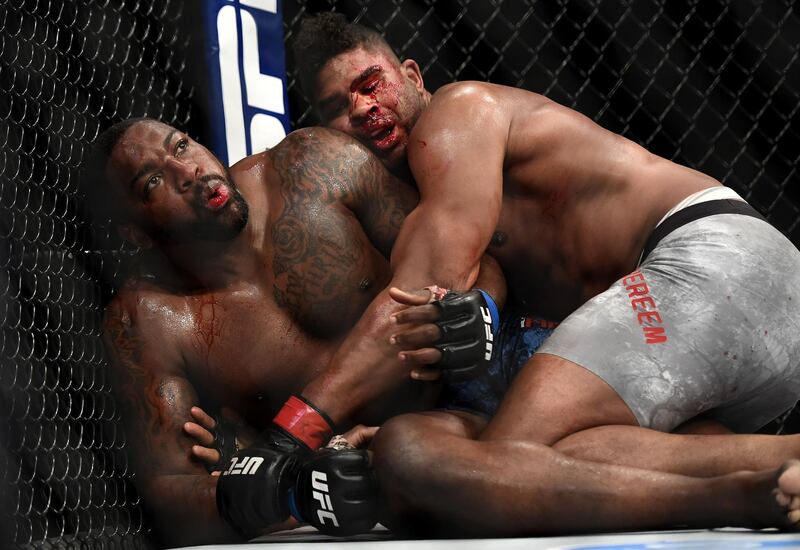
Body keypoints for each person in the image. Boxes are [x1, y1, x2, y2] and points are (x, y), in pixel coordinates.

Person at [283, 12, 800, 534]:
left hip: (708, 260)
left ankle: (739, 500)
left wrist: (295, 430)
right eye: (337, 109)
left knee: (499, 464)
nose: (364, 109)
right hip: (727, 329)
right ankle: (778, 466)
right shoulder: (423, 199)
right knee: (561, 461)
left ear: (413, 76)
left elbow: (421, 289)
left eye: (371, 85)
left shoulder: (458, 113)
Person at [88, 118, 452, 546]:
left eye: (182, 146)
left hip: (453, 409)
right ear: (136, 232)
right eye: (153, 182)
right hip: (373, 491)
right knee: (405, 459)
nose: (188, 173)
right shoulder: (148, 319)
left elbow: (464, 252)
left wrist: (476, 310)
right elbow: (172, 490)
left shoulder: (311, 167)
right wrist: (289, 487)